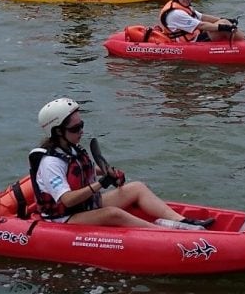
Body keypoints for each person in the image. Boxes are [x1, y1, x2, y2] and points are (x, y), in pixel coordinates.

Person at [33, 97, 215, 229]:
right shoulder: (50, 163)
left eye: (82, 125)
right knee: (113, 213)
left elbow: (81, 169)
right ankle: (165, 233)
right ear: (57, 132)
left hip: (85, 205)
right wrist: (100, 184)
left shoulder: (71, 148)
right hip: (64, 218)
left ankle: (182, 222)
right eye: (75, 128)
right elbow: (67, 200)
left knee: (137, 187)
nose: (81, 131)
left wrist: (107, 173)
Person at [159, 0, 245, 42]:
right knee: (223, 25)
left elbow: (203, 17)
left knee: (224, 21)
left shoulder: (184, 7)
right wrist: (224, 27)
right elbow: (201, 25)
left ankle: (244, 40)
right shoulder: (176, 13)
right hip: (189, 42)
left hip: (194, 35)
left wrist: (225, 19)